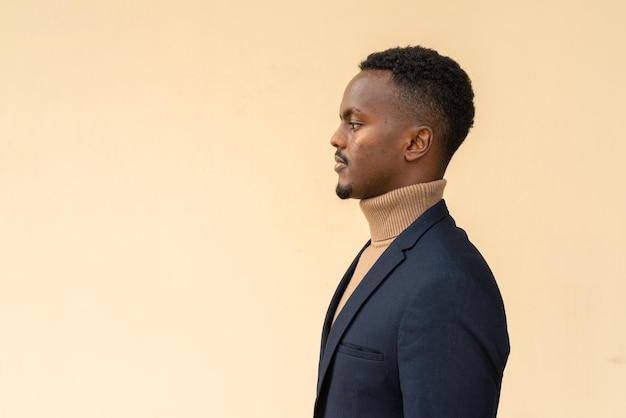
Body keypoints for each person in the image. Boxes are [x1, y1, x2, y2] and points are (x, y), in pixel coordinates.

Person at [314, 46, 510, 418]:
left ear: (416, 143)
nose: (337, 139)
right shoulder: (382, 253)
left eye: (354, 123)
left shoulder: (449, 282)